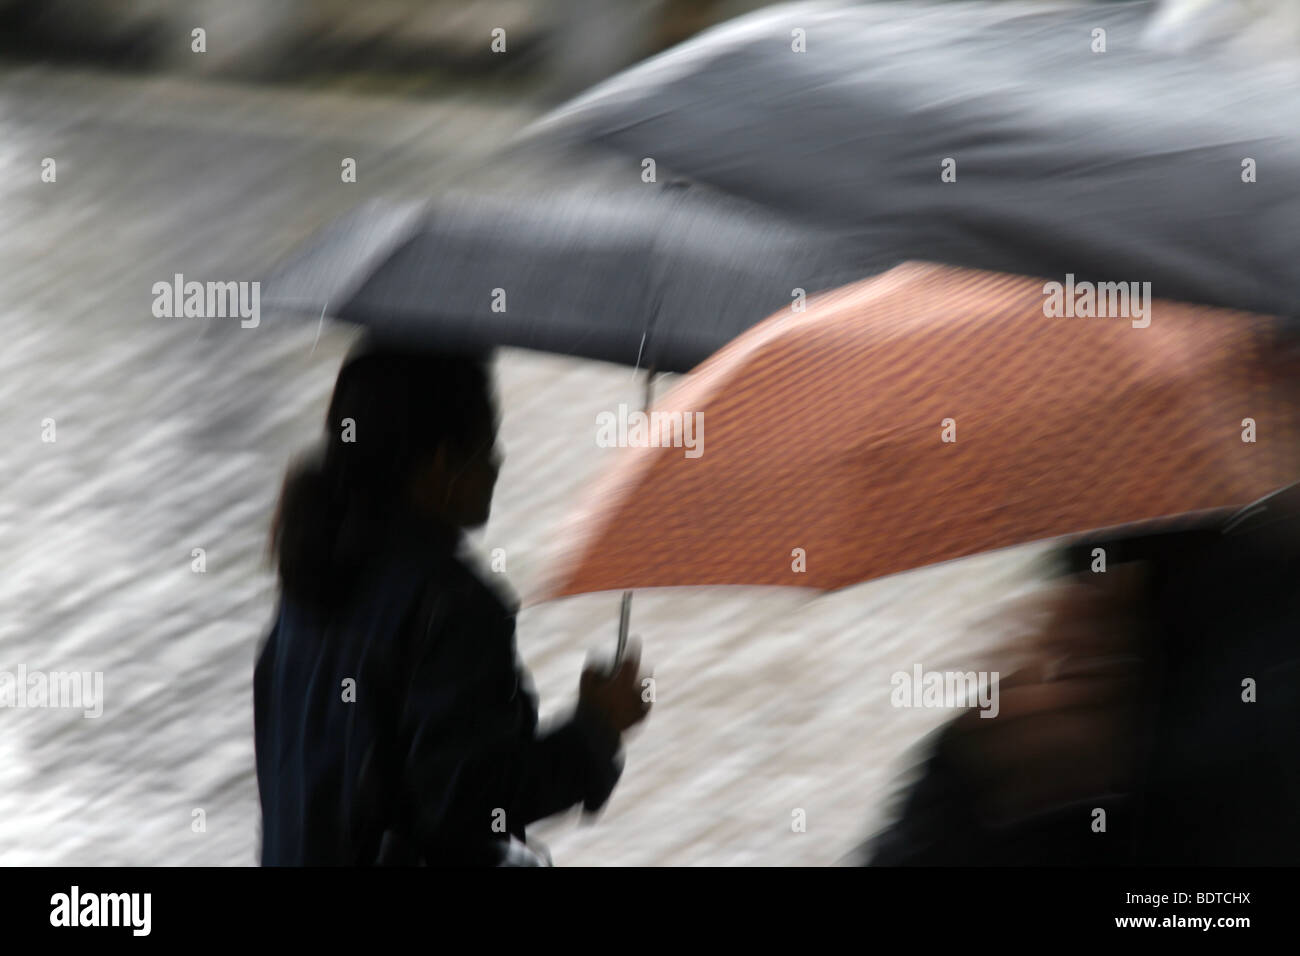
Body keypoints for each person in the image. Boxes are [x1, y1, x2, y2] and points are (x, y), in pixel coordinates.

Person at [254, 340, 651, 865]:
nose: (498, 460)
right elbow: (470, 802)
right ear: (442, 462)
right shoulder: (452, 606)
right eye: (489, 443)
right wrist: (596, 729)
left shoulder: (307, 586)